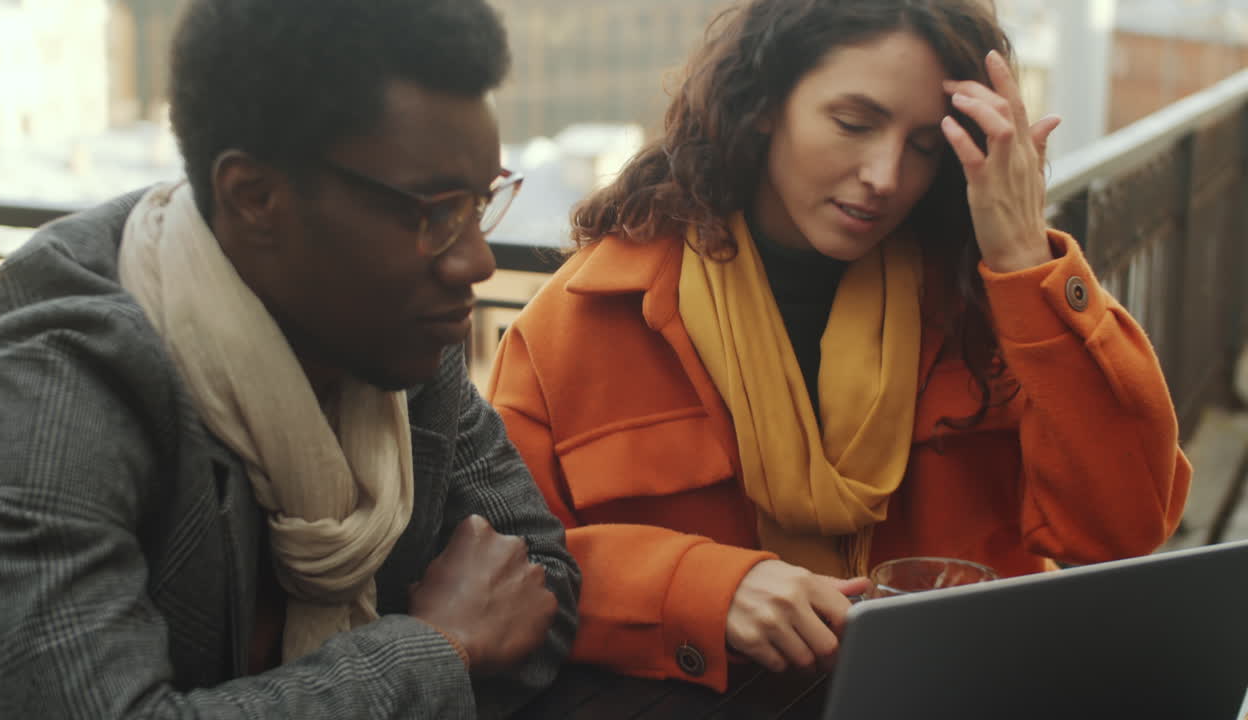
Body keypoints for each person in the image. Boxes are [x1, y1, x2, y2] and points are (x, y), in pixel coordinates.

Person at [487, 0, 1190, 693]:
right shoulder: (587, 318)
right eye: (854, 123)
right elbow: (502, 572)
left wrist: (1024, 259)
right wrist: (703, 589)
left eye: (922, 146)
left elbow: (1123, 530)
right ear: (763, 104)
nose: (885, 177)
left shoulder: (987, 305)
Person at [0, 0, 579, 717]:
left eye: (480, 204)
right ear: (254, 197)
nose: (473, 261)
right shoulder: (57, 374)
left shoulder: (393, 335)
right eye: (434, 212)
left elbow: (541, 590)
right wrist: (441, 646)